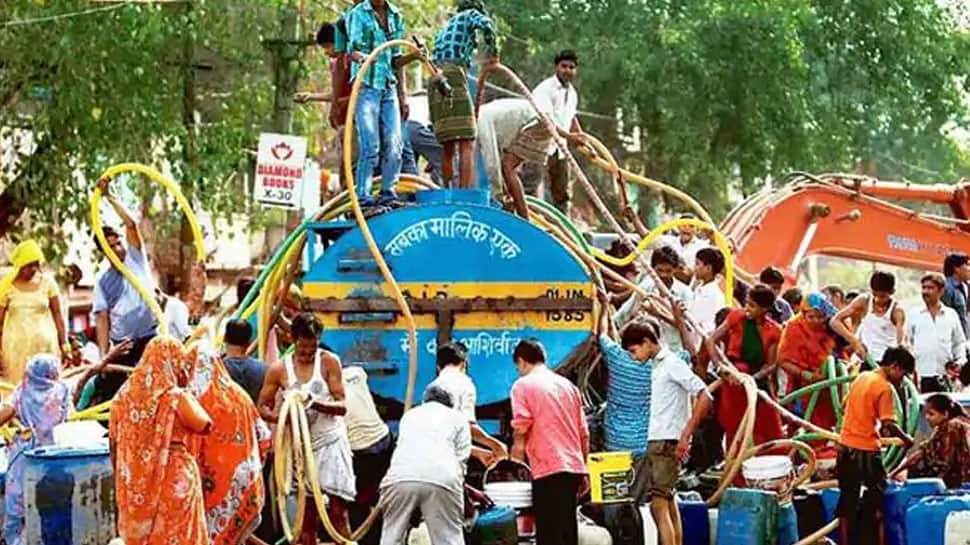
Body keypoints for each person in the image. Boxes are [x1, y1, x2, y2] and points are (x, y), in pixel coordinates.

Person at [256, 313, 355, 545]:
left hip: (330, 442)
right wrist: (282, 418)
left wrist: (315, 402)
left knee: (338, 513)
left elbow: (342, 406)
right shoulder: (279, 369)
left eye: (313, 347)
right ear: (292, 340)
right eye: (303, 348)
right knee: (306, 517)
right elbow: (262, 406)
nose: (308, 353)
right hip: (301, 448)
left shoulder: (329, 362)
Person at [111, 337, 213, 545]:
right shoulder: (175, 397)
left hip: (135, 483)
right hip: (174, 477)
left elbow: (113, 444)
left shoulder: (121, 398)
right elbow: (204, 424)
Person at [623, 319, 711, 545]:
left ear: (647, 342)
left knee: (658, 505)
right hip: (660, 440)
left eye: (634, 351)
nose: (634, 357)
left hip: (666, 442)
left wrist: (685, 435)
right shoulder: (659, 365)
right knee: (668, 502)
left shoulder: (671, 363)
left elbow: (704, 395)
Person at [186, 348, 271, 545]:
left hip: (212, 482)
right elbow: (264, 436)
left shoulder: (192, 400)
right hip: (245, 476)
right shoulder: (239, 394)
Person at [510, 339, 588, 545]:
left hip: (546, 467)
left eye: (518, 367)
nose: (519, 371)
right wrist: (584, 470)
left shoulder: (522, 385)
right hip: (572, 467)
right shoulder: (569, 387)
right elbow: (584, 433)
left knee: (548, 532)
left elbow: (521, 426)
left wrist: (515, 461)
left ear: (521, 361)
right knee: (567, 530)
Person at [836, 346, 915, 545]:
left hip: (845, 447)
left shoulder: (862, 377)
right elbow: (889, 423)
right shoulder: (884, 387)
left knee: (847, 503)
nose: (901, 380)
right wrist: (906, 439)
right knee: (876, 504)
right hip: (866, 451)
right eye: (902, 374)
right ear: (894, 367)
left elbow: (845, 406)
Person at [91, 178, 159, 404]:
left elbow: (131, 225)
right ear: (103, 252)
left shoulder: (136, 259)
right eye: (110, 246)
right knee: (121, 396)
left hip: (149, 336)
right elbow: (102, 318)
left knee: (153, 391)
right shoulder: (103, 282)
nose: (117, 249)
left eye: (118, 243)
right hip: (124, 345)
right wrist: (104, 356)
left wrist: (109, 196)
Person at [379, 385, 470, 545]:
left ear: (424, 401)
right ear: (450, 404)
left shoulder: (409, 416)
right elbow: (461, 461)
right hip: (443, 478)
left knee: (391, 535)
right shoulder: (457, 418)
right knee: (449, 537)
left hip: (400, 477)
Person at [0, 355, 72, 545]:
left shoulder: (21, 392)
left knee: (17, 505)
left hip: (25, 457)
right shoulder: (62, 390)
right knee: (52, 507)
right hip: (56, 458)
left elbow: (3, 414)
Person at [705, 285, 784, 451]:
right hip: (732, 379)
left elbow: (772, 365)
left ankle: (773, 469)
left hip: (757, 383)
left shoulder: (774, 331)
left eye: (752, 306)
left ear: (765, 309)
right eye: (746, 303)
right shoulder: (736, 317)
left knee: (770, 428)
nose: (747, 309)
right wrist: (720, 367)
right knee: (734, 428)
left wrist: (752, 379)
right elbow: (711, 341)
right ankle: (736, 472)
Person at [430, 0, 498, 189]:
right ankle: (465, 194)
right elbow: (487, 24)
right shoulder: (469, 15)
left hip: (435, 77)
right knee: (468, 139)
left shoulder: (446, 27)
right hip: (452, 74)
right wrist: (493, 54)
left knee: (448, 142)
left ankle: (448, 190)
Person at [346, 0, 407, 208]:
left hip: (388, 86)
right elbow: (352, 50)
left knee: (394, 143)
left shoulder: (396, 16)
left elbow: (396, 60)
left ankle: (388, 192)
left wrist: (414, 56)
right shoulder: (359, 14)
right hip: (366, 85)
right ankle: (363, 197)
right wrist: (364, 58)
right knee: (371, 145)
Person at [595, 295, 652, 502]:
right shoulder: (655, 369)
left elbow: (602, 334)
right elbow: (688, 351)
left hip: (615, 443)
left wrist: (603, 307)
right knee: (638, 501)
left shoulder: (617, 358)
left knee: (613, 498)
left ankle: (614, 532)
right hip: (642, 444)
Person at [0, 240, 69, 384]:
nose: (33, 269)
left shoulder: (48, 283)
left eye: (36, 264)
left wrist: (65, 344)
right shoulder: (6, 287)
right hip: (16, 352)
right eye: (29, 265)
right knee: (18, 392)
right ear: (20, 265)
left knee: (47, 391)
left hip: (45, 349)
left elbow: (58, 315)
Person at [429, 342, 508, 465]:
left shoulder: (431, 387)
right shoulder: (465, 383)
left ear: (439, 367)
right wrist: (494, 444)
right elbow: (466, 427)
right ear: (464, 364)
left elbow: (440, 437)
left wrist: (478, 452)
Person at [777, 293, 840, 443]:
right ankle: (804, 457)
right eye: (811, 317)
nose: (816, 321)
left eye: (820, 317)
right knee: (804, 426)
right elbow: (782, 360)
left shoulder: (831, 326)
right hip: (803, 388)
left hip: (830, 386)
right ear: (803, 313)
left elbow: (844, 350)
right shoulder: (793, 328)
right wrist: (807, 375)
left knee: (832, 427)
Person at [343, 364, 394, 545]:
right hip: (384, 439)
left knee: (356, 502)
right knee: (381, 495)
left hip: (361, 451)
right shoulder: (357, 372)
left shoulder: (320, 389)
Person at [476, 98, 552, 218]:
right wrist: (504, 193)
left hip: (538, 123)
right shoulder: (485, 114)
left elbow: (492, 164)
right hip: (539, 120)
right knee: (506, 168)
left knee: (508, 167)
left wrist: (498, 198)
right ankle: (515, 209)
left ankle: (524, 219)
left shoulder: (480, 121)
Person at [531, 50, 587, 214]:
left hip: (560, 148)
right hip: (539, 144)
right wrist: (570, 136)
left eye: (571, 67)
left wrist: (580, 135)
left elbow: (571, 117)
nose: (567, 71)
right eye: (564, 66)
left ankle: (563, 231)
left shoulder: (573, 94)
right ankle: (528, 223)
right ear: (556, 67)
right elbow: (546, 122)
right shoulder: (545, 88)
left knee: (562, 192)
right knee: (531, 186)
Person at [614, 246, 693, 352]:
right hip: (648, 353)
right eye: (659, 270)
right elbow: (623, 315)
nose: (663, 275)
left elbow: (688, 328)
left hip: (674, 350)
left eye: (668, 271)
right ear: (652, 269)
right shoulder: (645, 288)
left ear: (675, 269)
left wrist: (659, 314)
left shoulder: (685, 293)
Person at [894, 393, 970, 488]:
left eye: (931, 414)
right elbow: (921, 452)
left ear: (945, 414)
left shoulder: (953, 426)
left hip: (962, 479)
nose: (927, 417)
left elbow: (948, 462)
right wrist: (895, 472)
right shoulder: (940, 429)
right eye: (926, 414)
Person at [830, 271, 906, 363]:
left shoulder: (897, 311)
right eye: (875, 295)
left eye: (882, 296)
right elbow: (834, 321)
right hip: (864, 359)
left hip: (886, 363)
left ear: (892, 292)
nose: (878, 300)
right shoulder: (864, 300)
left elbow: (901, 342)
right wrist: (855, 342)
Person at [909, 273, 966, 392]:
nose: (925, 291)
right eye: (924, 288)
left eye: (930, 288)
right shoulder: (914, 315)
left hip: (945, 377)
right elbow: (907, 343)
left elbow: (959, 342)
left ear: (941, 291)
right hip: (920, 377)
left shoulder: (951, 315)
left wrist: (960, 361)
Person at [222, 318, 267, 404]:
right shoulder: (263, 369)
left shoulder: (217, 368)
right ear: (249, 342)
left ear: (224, 338)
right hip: (253, 416)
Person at [688, 247, 727, 335]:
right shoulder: (699, 288)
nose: (694, 267)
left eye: (697, 264)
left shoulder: (714, 296)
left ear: (708, 268)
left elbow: (693, 322)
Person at [657, 215, 709, 280]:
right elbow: (647, 237)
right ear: (678, 227)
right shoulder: (667, 241)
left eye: (691, 226)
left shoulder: (703, 246)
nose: (687, 228)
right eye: (683, 225)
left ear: (697, 230)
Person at [942, 252, 970, 338]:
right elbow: (944, 317)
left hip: (962, 340)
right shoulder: (947, 288)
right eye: (967, 265)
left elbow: (965, 314)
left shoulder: (964, 287)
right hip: (951, 341)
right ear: (956, 268)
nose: (969, 269)